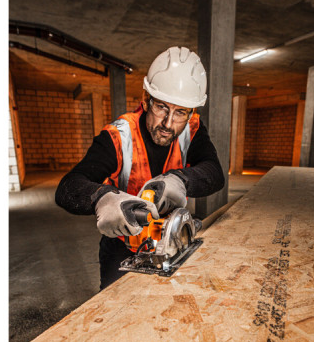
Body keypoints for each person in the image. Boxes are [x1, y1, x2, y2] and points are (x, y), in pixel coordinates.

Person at [55, 46, 225, 288]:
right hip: (122, 246)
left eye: (180, 112)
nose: (168, 124)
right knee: (115, 307)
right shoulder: (118, 136)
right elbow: (68, 186)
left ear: (191, 113)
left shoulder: (193, 129)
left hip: (171, 240)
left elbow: (215, 173)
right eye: (161, 107)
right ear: (146, 99)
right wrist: (101, 198)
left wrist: (180, 180)